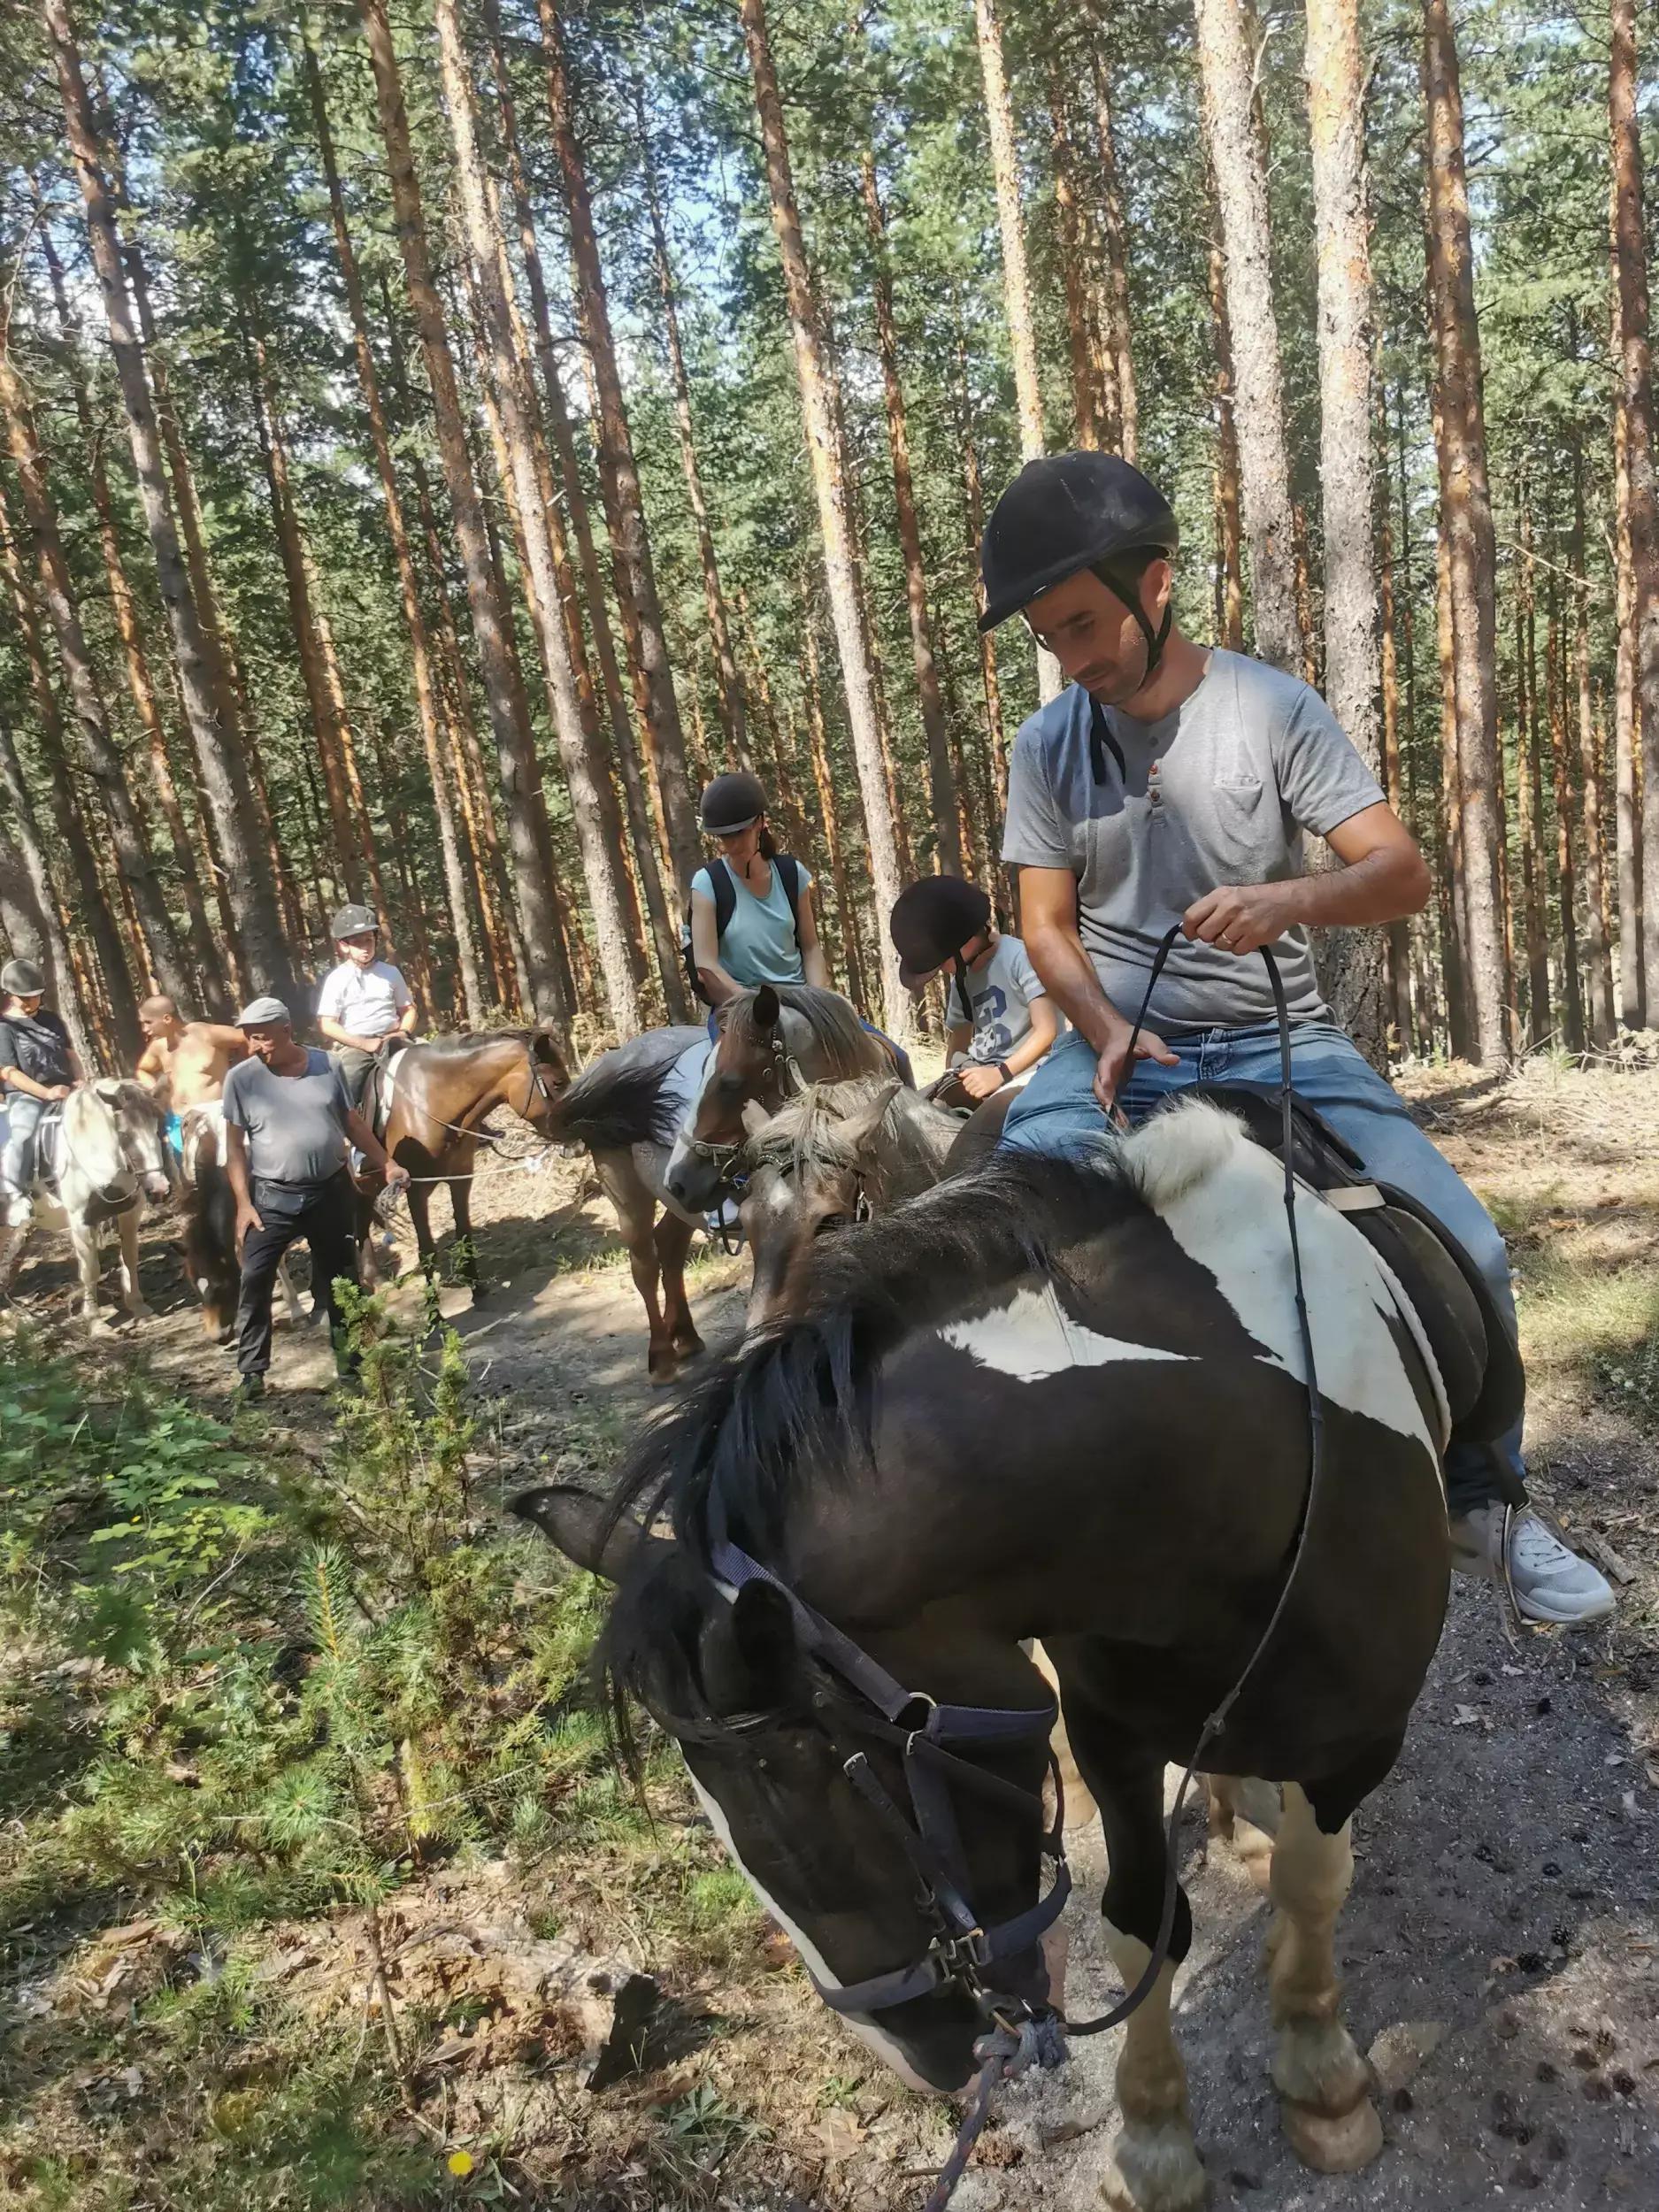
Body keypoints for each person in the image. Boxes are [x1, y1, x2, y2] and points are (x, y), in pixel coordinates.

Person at [983, 448, 1612, 1628]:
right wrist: (1106, 1028)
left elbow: (1398, 871)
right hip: (1108, 1048)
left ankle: (1485, 1506)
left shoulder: (1269, 710)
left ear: (1152, 585)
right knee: (1004, 1228)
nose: (1066, 662)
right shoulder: (1044, 747)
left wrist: (1284, 901)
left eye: (1078, 626)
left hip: (1279, 1040)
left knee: (1468, 1248)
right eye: (1046, 638)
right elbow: (1042, 926)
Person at [221, 995, 409, 1399]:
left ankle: (352, 1371)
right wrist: (243, 1203)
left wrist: (387, 1162)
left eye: (260, 1039)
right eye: (249, 1039)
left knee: (344, 1280)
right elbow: (234, 1148)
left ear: (286, 1031)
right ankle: (252, 1375)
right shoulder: (240, 1079)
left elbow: (350, 1121)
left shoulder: (328, 1065)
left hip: (331, 1191)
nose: (253, 1047)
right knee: (254, 1280)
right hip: (271, 1198)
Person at [888, 876, 1061, 1102]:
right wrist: (949, 1080)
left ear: (966, 942)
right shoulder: (962, 979)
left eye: (941, 963)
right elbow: (958, 1041)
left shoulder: (1020, 959)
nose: (942, 970)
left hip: (1028, 1071)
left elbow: (1048, 1032)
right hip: (982, 1071)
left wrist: (1000, 1074)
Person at [688, 773, 830, 1009]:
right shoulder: (707, 883)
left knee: (876, 1043)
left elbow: (811, 947)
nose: (731, 844)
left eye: (739, 833)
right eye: (724, 836)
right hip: (739, 1006)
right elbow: (706, 964)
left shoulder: (792, 874)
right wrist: (755, 1006)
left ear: (760, 823)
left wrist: (817, 1000)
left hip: (800, 1001)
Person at [0, 956, 81, 1238]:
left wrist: (79, 1080)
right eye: (23, 997)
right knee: (21, 1134)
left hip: (66, 1089)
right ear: (10, 995)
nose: (30, 1002)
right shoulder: (4, 1027)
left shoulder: (52, 1020)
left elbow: (71, 1055)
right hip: (27, 1096)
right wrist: (45, 1092)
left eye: (34, 997)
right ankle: (15, 1194)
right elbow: (9, 1072)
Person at [315, 905, 419, 1115]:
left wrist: (403, 1032)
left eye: (368, 940)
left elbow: (409, 1010)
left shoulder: (390, 973)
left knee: (436, 1061)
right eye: (357, 942)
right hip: (357, 1046)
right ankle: (344, 1135)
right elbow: (327, 1024)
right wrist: (363, 1043)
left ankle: (469, 1127)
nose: (365, 947)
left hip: (395, 1038)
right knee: (348, 1080)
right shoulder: (336, 979)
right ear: (344, 946)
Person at [134, 996, 249, 1111]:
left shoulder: (205, 1033)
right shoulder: (158, 1047)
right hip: (178, 1121)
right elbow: (142, 1070)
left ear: (167, 1019)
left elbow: (247, 1038)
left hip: (215, 1115)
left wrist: (245, 1074)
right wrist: (155, 1088)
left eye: (148, 1022)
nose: (145, 1029)